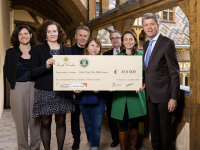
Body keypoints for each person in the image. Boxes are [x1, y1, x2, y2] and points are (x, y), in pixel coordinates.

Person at [30, 20, 75, 150]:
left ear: (58, 33)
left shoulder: (67, 50)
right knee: (45, 122)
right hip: (44, 91)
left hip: (63, 91)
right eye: (48, 31)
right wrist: (45, 66)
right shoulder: (38, 49)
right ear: (44, 33)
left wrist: (73, 90)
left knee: (61, 122)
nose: (52, 34)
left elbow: (72, 73)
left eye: (54, 31)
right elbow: (32, 72)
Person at [142, 13, 180, 150]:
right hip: (150, 96)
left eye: (151, 24)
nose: (149, 27)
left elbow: (174, 73)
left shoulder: (167, 43)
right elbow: (149, 70)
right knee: (155, 132)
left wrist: (173, 97)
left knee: (165, 133)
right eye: (146, 25)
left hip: (164, 97)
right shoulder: (146, 44)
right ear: (143, 28)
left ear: (157, 25)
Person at [3, 25, 41, 150]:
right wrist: (14, 84)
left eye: (26, 33)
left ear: (31, 35)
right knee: (20, 121)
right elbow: (7, 70)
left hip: (36, 87)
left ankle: (35, 147)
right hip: (17, 88)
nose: (23, 36)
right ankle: (23, 148)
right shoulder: (10, 52)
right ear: (17, 37)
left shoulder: (37, 51)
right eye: (20, 34)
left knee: (35, 120)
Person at [111, 30, 147, 150]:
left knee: (135, 124)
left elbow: (147, 74)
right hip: (120, 96)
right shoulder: (117, 58)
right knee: (122, 123)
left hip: (136, 95)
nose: (128, 41)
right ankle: (123, 148)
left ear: (135, 41)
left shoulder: (142, 56)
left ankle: (133, 147)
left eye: (131, 39)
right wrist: (110, 84)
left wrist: (144, 84)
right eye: (125, 39)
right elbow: (112, 76)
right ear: (122, 42)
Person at [74, 37, 109, 150]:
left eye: (97, 46)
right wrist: (75, 88)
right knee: (88, 124)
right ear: (87, 47)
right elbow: (73, 77)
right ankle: (91, 142)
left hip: (99, 98)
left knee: (97, 125)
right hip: (84, 96)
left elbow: (109, 79)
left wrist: (101, 88)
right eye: (92, 45)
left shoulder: (105, 62)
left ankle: (94, 147)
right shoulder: (79, 62)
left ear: (100, 49)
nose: (95, 48)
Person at [70, 25, 90, 150]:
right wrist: (71, 90)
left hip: (88, 90)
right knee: (74, 117)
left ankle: (90, 138)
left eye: (85, 36)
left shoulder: (91, 51)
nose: (83, 38)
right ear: (76, 36)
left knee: (88, 117)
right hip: (74, 90)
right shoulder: (68, 51)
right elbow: (67, 72)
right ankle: (76, 139)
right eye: (80, 35)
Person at [103, 30, 122, 147]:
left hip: (124, 91)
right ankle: (115, 139)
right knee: (111, 117)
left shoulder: (127, 53)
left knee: (124, 117)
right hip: (110, 92)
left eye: (117, 37)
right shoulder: (106, 55)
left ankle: (124, 138)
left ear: (121, 39)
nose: (114, 40)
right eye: (112, 38)